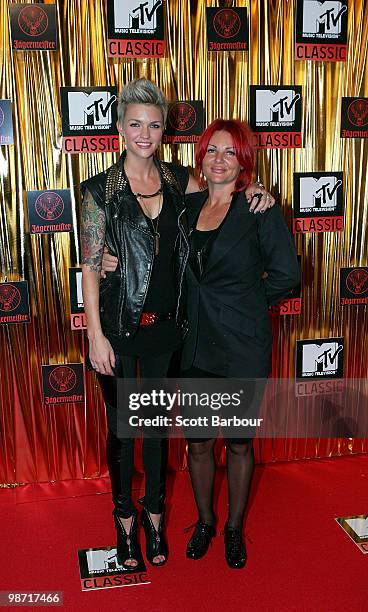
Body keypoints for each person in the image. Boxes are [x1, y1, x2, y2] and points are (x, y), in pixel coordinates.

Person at [81, 78, 274, 570]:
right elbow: (88, 264)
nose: (144, 133)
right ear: (119, 127)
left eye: (154, 124)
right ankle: (123, 523)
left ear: (164, 129)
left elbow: (221, 192)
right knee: (125, 432)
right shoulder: (97, 191)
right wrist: (96, 334)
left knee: (154, 433)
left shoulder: (175, 181)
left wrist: (260, 193)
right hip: (121, 331)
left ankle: (155, 518)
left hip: (169, 334)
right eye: (135, 124)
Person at [181, 119, 300, 569]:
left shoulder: (257, 208)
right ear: (202, 157)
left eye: (230, 152)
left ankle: (233, 529)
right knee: (197, 442)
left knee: (237, 443)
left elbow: (287, 274)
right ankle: (206, 521)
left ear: (244, 161)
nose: (219, 159)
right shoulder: (186, 207)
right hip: (194, 346)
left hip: (240, 346)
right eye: (212, 150)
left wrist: (246, 305)